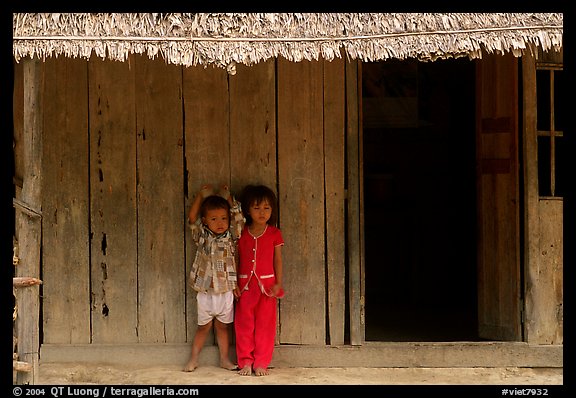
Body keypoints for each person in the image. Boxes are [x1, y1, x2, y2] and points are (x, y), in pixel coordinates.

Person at [184, 184, 245, 372]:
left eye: (223, 218)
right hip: (205, 291)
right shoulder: (202, 235)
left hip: (225, 290)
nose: (220, 222)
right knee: (203, 327)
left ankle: (224, 359)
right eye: (214, 219)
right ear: (206, 221)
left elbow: (239, 217)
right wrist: (202, 195)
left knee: (222, 327)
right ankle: (193, 359)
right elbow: (192, 219)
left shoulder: (232, 236)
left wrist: (228, 196)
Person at [234, 184, 285, 376]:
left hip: (267, 287)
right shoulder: (241, 232)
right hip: (245, 286)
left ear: (272, 209)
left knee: (265, 325)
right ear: (248, 210)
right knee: (244, 325)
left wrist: (278, 283)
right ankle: (245, 361)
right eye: (256, 208)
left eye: (266, 208)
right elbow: (235, 259)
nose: (262, 212)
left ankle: (261, 362)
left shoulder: (274, 233)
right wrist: (234, 283)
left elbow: (277, 259)